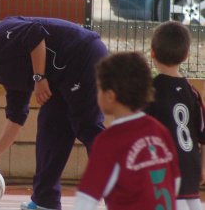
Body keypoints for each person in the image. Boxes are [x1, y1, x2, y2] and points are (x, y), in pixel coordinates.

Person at [0, 17, 108, 210]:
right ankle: (45, 201)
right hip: (60, 80)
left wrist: (39, 77)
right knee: (50, 128)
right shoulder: (2, 70)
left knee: (87, 126)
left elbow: (35, 33)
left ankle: (123, 198)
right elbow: (16, 117)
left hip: (83, 56)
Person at [73, 51, 180, 210]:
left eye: (99, 88)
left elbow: (86, 198)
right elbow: (175, 181)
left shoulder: (109, 140)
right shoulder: (160, 130)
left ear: (110, 96)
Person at [145, 21, 205, 210]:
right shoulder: (192, 92)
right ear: (186, 55)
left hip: (165, 167)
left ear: (152, 52)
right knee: (192, 203)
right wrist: (202, 166)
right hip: (191, 164)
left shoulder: (149, 91)